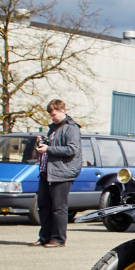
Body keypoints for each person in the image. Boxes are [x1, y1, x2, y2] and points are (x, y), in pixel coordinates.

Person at [28, 99, 82, 248]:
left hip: (62, 173)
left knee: (59, 208)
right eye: (50, 115)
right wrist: (42, 144)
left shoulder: (71, 128)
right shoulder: (53, 128)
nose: (51, 117)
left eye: (54, 114)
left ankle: (58, 239)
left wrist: (49, 149)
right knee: (43, 205)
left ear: (62, 111)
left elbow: (72, 149)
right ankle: (44, 237)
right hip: (47, 171)